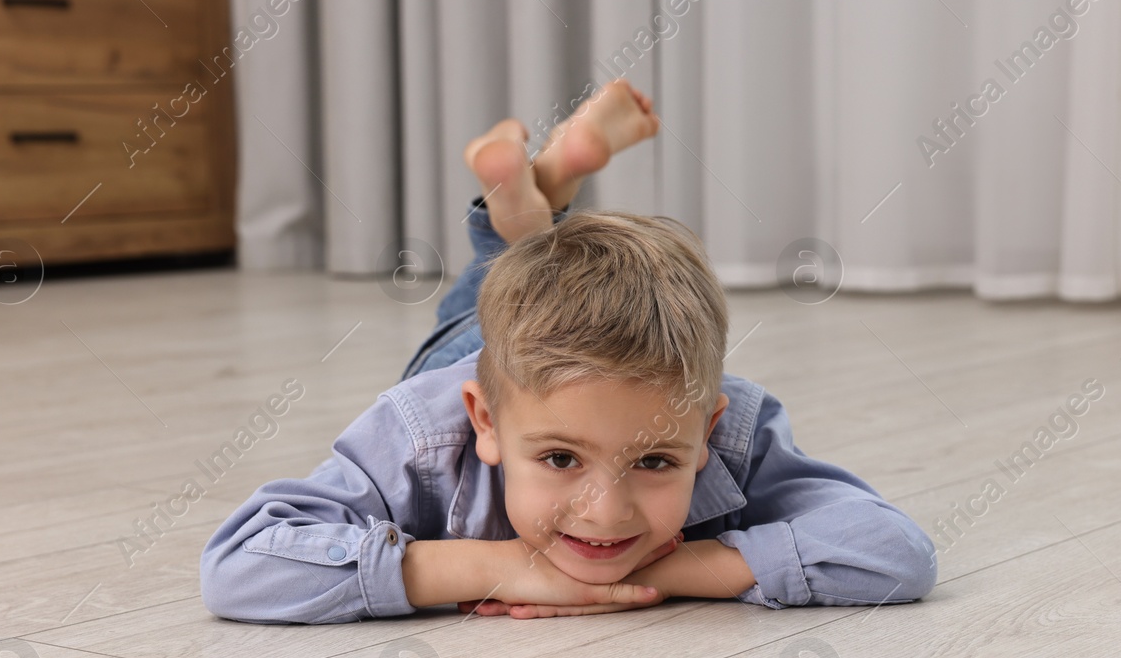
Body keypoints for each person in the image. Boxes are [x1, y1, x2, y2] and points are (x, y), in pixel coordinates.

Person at [200, 79, 936, 621]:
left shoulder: (733, 421)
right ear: (483, 422)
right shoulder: (422, 431)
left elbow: (899, 551)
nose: (605, 512)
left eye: (654, 461)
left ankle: (528, 215)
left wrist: (688, 568)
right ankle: (520, 224)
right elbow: (238, 567)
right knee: (485, 307)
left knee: (520, 291)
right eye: (560, 459)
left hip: (533, 373)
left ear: (705, 431)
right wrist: (496, 567)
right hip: (468, 354)